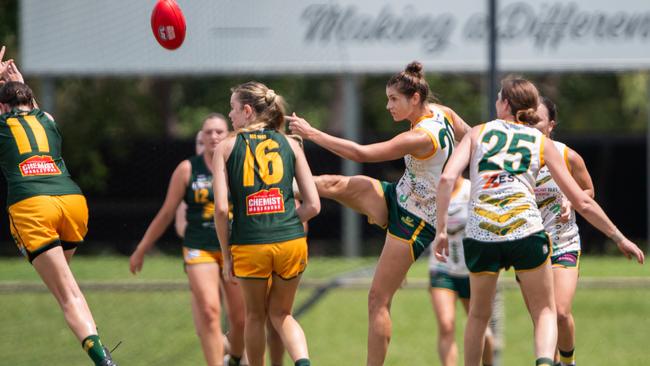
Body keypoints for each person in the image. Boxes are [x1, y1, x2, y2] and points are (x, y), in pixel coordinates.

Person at [432, 77, 644, 366]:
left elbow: (446, 178)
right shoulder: (540, 143)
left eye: (498, 98)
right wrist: (619, 237)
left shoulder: (479, 132)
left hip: (482, 233)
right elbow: (583, 201)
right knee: (546, 311)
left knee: (479, 316)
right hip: (526, 232)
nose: (496, 102)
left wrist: (441, 229)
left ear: (506, 104)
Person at [287, 61, 471, 365]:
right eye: (387, 98)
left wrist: (312, 133)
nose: (388, 106)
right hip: (396, 199)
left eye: (393, 99)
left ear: (414, 98)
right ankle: (273, 190)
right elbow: (473, 137)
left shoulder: (422, 136)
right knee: (336, 184)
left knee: (377, 299)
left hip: (415, 222)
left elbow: (362, 154)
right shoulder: (444, 112)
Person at [0, 81, 117, 366]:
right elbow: (32, 108)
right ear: (30, 99)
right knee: (67, 287)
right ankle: (96, 341)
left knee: (67, 295)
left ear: (3, 107)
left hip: (33, 205)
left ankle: (103, 360)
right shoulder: (47, 118)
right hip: (72, 202)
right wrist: (19, 82)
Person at [213, 81, 320, 366]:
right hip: (292, 242)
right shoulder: (292, 143)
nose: (230, 116)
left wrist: (226, 256)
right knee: (283, 315)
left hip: (251, 245)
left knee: (255, 316)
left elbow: (222, 210)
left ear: (247, 111)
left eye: (233, 109)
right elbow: (313, 205)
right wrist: (283, 220)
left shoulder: (225, 147)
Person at [129, 114, 247, 366]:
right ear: (201, 137)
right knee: (209, 311)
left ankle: (235, 358)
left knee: (240, 319)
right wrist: (142, 248)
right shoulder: (187, 169)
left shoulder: (238, 165)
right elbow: (167, 212)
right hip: (199, 247)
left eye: (219, 131)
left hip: (235, 247)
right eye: (208, 132)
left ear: (228, 135)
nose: (213, 136)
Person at [531, 97, 594, 366]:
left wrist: (573, 199)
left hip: (564, 242)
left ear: (551, 125)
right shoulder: (515, 157)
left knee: (560, 312)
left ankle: (568, 363)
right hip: (530, 246)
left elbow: (589, 191)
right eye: (526, 119)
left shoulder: (567, 155)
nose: (531, 125)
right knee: (543, 319)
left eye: (537, 120)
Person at [428, 175, 494, 366]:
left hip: (472, 269)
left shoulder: (472, 189)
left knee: (482, 330)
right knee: (446, 325)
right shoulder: (433, 192)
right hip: (441, 266)